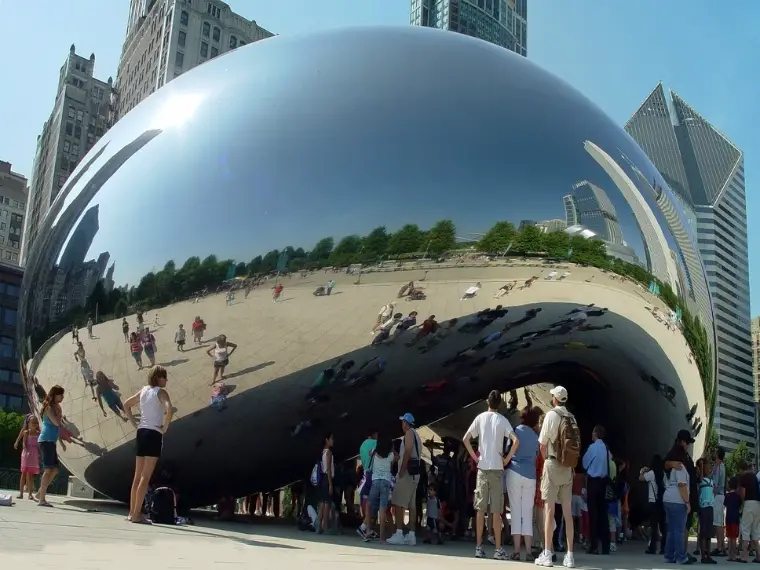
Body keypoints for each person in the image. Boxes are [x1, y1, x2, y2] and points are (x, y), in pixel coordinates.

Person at [463, 390, 519, 560]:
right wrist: (506, 458)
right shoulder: (503, 420)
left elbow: (466, 438)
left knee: (480, 509)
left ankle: (479, 547)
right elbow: (515, 441)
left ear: (488, 402)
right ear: (500, 404)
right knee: (496, 510)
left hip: (482, 468)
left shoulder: (480, 418)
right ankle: (498, 548)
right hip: (496, 468)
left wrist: (475, 457)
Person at [536, 386, 580, 568]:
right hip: (568, 468)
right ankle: (570, 556)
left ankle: (547, 552)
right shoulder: (572, 418)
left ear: (555, 399)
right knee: (567, 513)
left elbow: (542, 444)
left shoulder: (551, 416)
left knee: (549, 510)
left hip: (553, 464)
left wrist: (547, 461)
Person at [123, 366, 173, 524]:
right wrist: (165, 427)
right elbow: (169, 409)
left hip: (142, 432)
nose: (166, 380)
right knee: (145, 477)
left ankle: (132, 512)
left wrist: (133, 422)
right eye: (164, 377)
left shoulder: (144, 390)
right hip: (154, 434)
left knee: (137, 476)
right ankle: (137, 514)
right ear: (158, 378)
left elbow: (126, 404)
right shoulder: (161, 392)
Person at [505, 405, 542, 561]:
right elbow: (536, 455)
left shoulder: (516, 430)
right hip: (530, 476)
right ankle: (527, 550)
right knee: (527, 514)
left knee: (516, 512)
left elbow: (508, 448)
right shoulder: (535, 436)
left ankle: (516, 550)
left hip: (514, 472)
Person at [387, 413, 422, 546]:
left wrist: (402, 469)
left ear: (406, 423)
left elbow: (407, 451)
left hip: (407, 473)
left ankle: (399, 533)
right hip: (415, 474)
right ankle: (411, 535)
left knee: (398, 502)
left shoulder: (408, 434)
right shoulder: (417, 435)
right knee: (411, 505)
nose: (401, 424)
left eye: (402, 422)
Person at [582, 424, 612, 555]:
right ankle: (606, 545)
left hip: (593, 482)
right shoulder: (606, 448)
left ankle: (594, 544)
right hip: (603, 482)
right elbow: (610, 459)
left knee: (593, 515)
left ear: (596, 434)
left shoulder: (593, 447)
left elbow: (584, 462)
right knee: (603, 515)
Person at [36, 385, 67, 507]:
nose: (62, 397)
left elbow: (58, 425)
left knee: (55, 469)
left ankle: (40, 493)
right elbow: (56, 423)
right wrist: (59, 415)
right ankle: (41, 499)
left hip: (51, 441)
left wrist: (61, 442)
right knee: (49, 469)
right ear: (54, 395)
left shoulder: (57, 407)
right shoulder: (48, 408)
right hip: (45, 440)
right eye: (61, 395)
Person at [662, 440, 691, 564]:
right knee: (679, 530)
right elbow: (682, 485)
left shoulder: (670, 468)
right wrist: (687, 502)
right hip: (677, 501)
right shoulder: (680, 467)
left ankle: (669, 555)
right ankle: (681, 557)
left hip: (667, 499)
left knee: (671, 530)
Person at [363, 436, 396, 543]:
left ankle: (368, 531)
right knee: (383, 510)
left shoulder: (374, 452)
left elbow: (369, 453)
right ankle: (382, 538)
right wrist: (392, 449)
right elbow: (398, 457)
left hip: (375, 481)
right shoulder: (391, 455)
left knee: (368, 505)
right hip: (386, 482)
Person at [640, 454, 666, 555]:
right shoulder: (663, 474)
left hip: (653, 502)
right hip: (661, 502)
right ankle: (664, 548)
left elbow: (641, 478)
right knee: (663, 527)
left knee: (653, 527)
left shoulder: (651, 473)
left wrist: (643, 470)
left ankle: (652, 547)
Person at [737, 460, 760, 563]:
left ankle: (744, 556)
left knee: (745, 530)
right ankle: (758, 556)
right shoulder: (754, 476)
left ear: (741, 469)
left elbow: (743, 494)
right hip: (757, 504)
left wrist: (742, 504)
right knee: (755, 531)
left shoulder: (743, 478)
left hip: (749, 504)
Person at [14, 415, 41, 500]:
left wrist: (39, 454)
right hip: (27, 454)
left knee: (31, 475)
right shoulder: (26, 432)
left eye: (35, 422)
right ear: (28, 423)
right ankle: (21, 493)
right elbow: (24, 444)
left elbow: (39, 445)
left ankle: (30, 493)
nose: (34, 424)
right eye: (32, 422)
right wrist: (24, 448)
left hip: (34, 454)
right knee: (24, 473)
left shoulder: (38, 433)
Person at [697, 457, 716, 564]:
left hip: (710, 507)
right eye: (708, 468)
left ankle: (708, 555)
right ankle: (703, 556)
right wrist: (702, 464)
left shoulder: (711, 480)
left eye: (710, 468)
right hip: (703, 507)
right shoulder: (702, 480)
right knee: (703, 532)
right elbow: (700, 478)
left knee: (709, 533)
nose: (710, 470)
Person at [711, 447, 727, 557]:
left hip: (718, 496)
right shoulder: (721, 466)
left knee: (718, 523)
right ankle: (721, 546)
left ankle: (719, 547)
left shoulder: (719, 467)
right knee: (719, 523)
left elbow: (716, 484)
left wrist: (712, 494)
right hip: (720, 496)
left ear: (718, 454)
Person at [724, 477, 741, 562]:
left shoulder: (727, 496)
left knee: (729, 538)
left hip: (728, 518)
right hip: (735, 519)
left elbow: (725, 505)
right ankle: (734, 555)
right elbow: (739, 506)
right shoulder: (738, 497)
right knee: (734, 538)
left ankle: (729, 555)